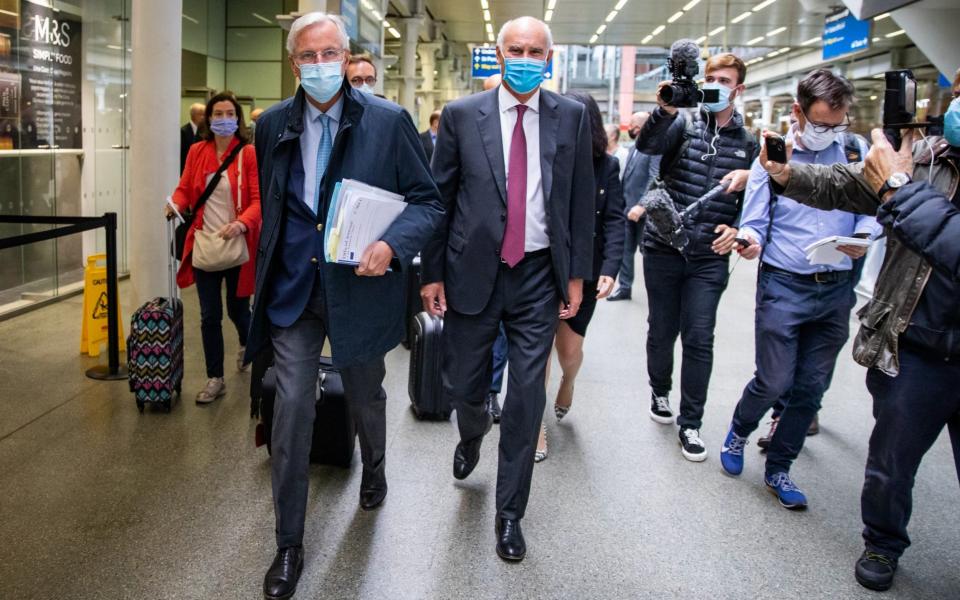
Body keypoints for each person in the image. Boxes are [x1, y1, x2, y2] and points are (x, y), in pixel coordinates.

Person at [244, 13, 443, 600]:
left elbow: (427, 203)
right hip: (293, 291)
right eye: (309, 56)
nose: (321, 64)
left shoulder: (387, 121)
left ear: (347, 54)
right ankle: (288, 545)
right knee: (292, 409)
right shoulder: (273, 124)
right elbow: (278, 207)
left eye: (330, 53)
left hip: (359, 286)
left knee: (365, 392)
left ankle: (375, 468)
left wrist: (391, 245)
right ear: (294, 64)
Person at [759, 89, 960, 591]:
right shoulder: (929, 160)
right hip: (916, 345)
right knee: (890, 463)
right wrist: (787, 175)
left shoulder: (906, 175)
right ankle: (882, 542)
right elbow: (846, 184)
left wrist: (897, 185)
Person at [421, 16, 594, 562]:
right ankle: (471, 430)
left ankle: (509, 514)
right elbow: (439, 199)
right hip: (472, 271)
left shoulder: (570, 116)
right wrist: (430, 272)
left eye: (534, 51)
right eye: (514, 49)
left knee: (526, 395)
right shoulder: (460, 116)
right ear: (498, 55)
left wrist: (575, 275)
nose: (524, 57)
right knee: (466, 384)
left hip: (538, 276)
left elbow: (580, 198)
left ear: (549, 57)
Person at [717, 70, 879, 509]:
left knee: (810, 388)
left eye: (840, 121)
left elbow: (872, 206)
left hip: (836, 287)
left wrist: (864, 236)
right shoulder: (772, 158)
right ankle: (737, 433)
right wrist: (749, 242)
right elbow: (753, 220)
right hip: (784, 283)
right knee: (774, 379)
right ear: (798, 113)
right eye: (823, 122)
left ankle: (779, 468)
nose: (832, 131)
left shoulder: (855, 150)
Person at [635, 52, 757, 461]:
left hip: (709, 257)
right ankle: (660, 389)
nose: (715, 84)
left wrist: (738, 229)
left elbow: (757, 204)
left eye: (724, 79)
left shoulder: (749, 143)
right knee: (662, 329)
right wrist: (664, 110)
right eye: (710, 77)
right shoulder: (684, 124)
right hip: (664, 247)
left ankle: (691, 423)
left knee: (700, 337)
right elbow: (647, 144)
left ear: (738, 88)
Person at [534, 90, 625, 462]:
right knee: (535, 353)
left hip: (584, 270)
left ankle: (568, 382)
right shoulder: (541, 157)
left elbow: (616, 218)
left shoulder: (606, 165)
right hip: (539, 267)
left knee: (568, 351)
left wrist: (610, 267)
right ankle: (534, 427)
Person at [167, 92, 261, 403]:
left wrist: (241, 223)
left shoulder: (247, 154)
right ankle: (215, 378)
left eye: (229, 113)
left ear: (238, 118)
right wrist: (175, 205)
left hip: (237, 246)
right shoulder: (197, 151)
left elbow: (258, 202)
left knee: (237, 310)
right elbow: (184, 188)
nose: (223, 119)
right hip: (205, 245)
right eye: (217, 113)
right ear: (209, 118)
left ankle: (249, 344)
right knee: (209, 316)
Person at [608, 111, 660, 302]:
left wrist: (642, 205)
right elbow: (627, 176)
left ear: (640, 127)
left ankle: (656, 292)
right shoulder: (634, 147)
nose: (630, 128)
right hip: (626, 208)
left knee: (648, 253)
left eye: (632, 124)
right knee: (625, 250)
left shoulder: (655, 149)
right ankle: (625, 287)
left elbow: (655, 177)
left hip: (644, 212)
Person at [180, 102, 205, 174]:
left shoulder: (205, 131)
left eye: (204, 114)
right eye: (201, 114)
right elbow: (182, 156)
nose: (204, 117)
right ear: (193, 115)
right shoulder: (183, 132)